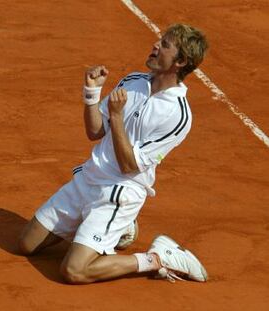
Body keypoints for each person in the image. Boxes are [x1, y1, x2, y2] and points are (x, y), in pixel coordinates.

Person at [18, 24, 209, 284]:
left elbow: (130, 166)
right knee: (26, 244)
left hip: (120, 191)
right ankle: (118, 230)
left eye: (165, 45)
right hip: (89, 179)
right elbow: (95, 131)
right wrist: (92, 93)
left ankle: (156, 259)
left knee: (74, 271)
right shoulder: (133, 81)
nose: (155, 46)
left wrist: (117, 117)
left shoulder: (177, 115)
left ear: (181, 61)